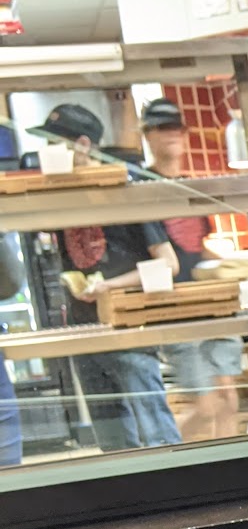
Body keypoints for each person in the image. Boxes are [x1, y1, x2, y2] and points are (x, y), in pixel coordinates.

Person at [33, 104, 181, 451]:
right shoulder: (59, 197)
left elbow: (168, 264)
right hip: (84, 332)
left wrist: (109, 286)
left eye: (53, 143)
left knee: (157, 436)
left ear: (82, 145)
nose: (46, 152)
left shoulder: (125, 190)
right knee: (113, 444)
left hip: (128, 328)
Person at [139, 99, 242, 441]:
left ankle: (233, 466)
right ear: (147, 135)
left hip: (212, 305)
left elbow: (198, 247)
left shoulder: (191, 187)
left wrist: (231, 265)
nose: (171, 135)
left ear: (184, 134)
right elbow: (158, 255)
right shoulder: (143, 189)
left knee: (228, 400)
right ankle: (166, 453)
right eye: (161, 128)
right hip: (175, 310)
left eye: (176, 128)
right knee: (206, 407)